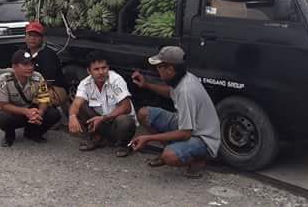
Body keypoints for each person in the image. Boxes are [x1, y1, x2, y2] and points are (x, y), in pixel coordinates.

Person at [130, 46, 221, 178]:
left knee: (169, 156)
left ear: (170, 69)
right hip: (185, 125)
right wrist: (147, 85)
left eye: (160, 67)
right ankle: (176, 148)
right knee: (144, 113)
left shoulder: (186, 91)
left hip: (202, 138)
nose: (157, 70)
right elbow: (170, 92)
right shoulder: (183, 78)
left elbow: (185, 133)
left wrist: (148, 138)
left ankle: (198, 160)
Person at [68, 51, 137, 157]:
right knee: (81, 106)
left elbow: (126, 107)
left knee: (125, 120)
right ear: (89, 71)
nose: (101, 72)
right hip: (100, 123)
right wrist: (72, 116)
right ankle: (96, 138)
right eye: (96, 69)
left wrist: (103, 118)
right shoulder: (85, 83)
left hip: (117, 125)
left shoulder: (116, 80)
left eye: (104, 68)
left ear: (108, 68)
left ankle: (122, 145)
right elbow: (76, 103)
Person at [0, 49, 61, 146]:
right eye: (25, 64)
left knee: (54, 114)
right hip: (15, 112)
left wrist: (39, 113)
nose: (30, 67)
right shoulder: (3, 80)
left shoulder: (38, 77)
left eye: (31, 64)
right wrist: (26, 112)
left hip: (32, 110)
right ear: (14, 67)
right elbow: (3, 105)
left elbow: (43, 99)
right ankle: (9, 135)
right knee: (2, 118)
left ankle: (32, 133)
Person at [22, 21, 69, 114]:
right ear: (25, 37)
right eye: (30, 35)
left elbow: (48, 81)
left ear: (42, 38)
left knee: (35, 99)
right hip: (31, 85)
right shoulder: (22, 51)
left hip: (54, 88)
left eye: (36, 36)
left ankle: (49, 116)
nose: (32, 38)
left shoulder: (48, 55)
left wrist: (29, 91)